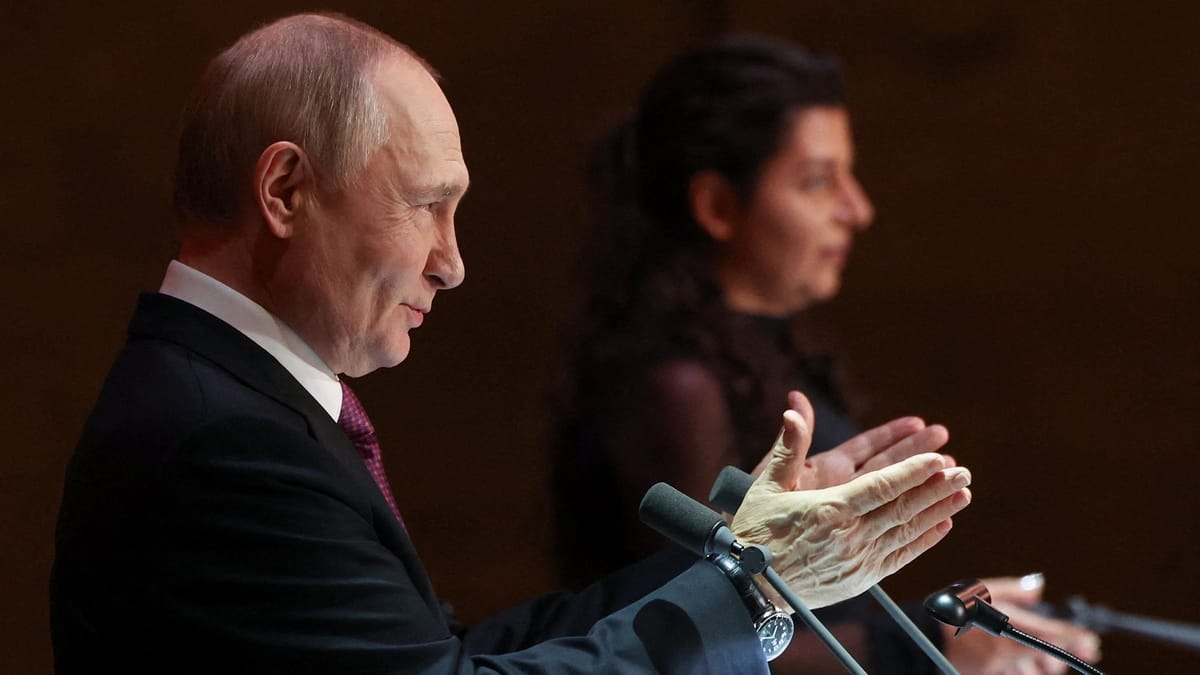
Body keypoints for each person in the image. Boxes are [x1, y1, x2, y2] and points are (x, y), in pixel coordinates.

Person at [50, 14, 973, 675]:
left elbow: (450, 653)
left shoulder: (236, 398)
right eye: (426, 206)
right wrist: (754, 596)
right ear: (286, 190)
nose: (451, 264)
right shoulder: (221, 436)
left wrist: (742, 554)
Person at [551, 35, 1101, 674]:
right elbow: (680, 632)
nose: (857, 210)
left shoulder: (769, 349)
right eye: (818, 182)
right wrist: (924, 648)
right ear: (719, 206)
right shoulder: (674, 386)